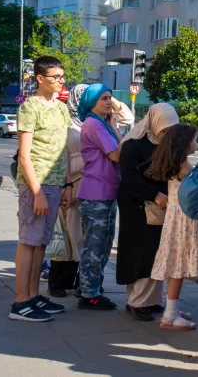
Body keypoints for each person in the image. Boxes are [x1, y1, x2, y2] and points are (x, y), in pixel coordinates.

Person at [10, 56, 72, 322]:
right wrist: (36, 192)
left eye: (61, 76)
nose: (60, 81)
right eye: (55, 77)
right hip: (35, 184)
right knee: (28, 241)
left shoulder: (61, 108)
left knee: (41, 244)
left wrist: (68, 185)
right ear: (39, 79)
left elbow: (64, 150)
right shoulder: (29, 107)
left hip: (57, 183)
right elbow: (24, 156)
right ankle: (20, 302)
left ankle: (34, 296)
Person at [117, 103, 179, 322]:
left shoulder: (166, 144)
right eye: (165, 129)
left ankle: (149, 301)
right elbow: (129, 177)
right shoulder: (133, 145)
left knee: (155, 253)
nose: (167, 134)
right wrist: (154, 194)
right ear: (155, 122)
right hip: (137, 205)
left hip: (158, 206)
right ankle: (137, 302)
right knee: (142, 253)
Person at [149, 123, 198, 330]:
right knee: (177, 267)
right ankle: (170, 316)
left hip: (175, 219)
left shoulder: (175, 165)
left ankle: (171, 308)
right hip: (183, 221)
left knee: (176, 265)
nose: (197, 142)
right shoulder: (184, 168)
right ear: (184, 143)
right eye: (193, 139)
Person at [76, 84, 125, 311]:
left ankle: (90, 286)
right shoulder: (94, 124)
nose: (109, 102)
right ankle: (90, 294)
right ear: (91, 101)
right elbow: (117, 154)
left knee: (102, 245)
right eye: (103, 98)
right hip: (96, 194)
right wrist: (115, 128)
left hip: (104, 192)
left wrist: (114, 124)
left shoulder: (100, 123)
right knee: (96, 246)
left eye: (110, 98)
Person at [48, 85, 85, 298]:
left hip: (90, 186)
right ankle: (59, 282)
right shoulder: (65, 121)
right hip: (69, 184)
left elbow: (126, 117)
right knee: (67, 234)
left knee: (85, 237)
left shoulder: (95, 121)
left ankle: (83, 282)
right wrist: (66, 185)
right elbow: (60, 156)